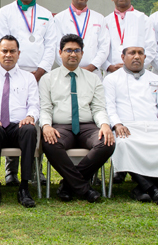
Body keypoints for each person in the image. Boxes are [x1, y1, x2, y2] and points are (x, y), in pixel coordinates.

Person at [103, 35, 158, 205]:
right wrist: (117, 124)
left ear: (145, 57)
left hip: (154, 127)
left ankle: (141, 189)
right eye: (132, 53)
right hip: (126, 127)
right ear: (123, 57)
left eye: (140, 53)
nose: (136, 56)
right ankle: (153, 190)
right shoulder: (111, 79)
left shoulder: (156, 79)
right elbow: (108, 106)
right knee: (124, 145)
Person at [38, 34, 114, 203]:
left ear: (82, 53)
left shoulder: (93, 78)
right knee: (50, 143)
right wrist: (46, 126)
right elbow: (45, 108)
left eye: (77, 50)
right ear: (60, 53)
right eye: (68, 50)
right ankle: (83, 188)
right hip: (61, 127)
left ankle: (68, 185)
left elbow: (98, 108)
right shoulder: (48, 79)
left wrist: (104, 124)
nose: (73, 54)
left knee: (107, 142)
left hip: (87, 126)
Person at [0, 35, 40, 208]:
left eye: (12, 51)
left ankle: (24, 187)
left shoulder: (28, 78)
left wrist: (30, 117)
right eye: (4, 51)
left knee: (29, 129)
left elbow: (35, 105)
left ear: (18, 54)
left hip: (18, 127)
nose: (8, 55)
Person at [91, 0, 157, 75]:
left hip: (137, 72)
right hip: (112, 73)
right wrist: (108, 66)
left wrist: (134, 67)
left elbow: (151, 48)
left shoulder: (144, 19)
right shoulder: (105, 21)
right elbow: (100, 48)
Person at [46, 0, 108, 77]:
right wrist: (70, 67)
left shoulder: (99, 18)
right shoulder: (59, 19)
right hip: (67, 73)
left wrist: (92, 66)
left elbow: (104, 47)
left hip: (93, 73)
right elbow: (56, 47)